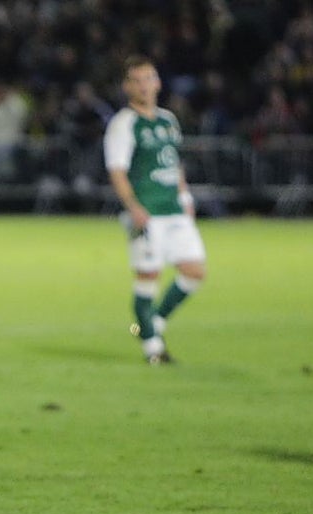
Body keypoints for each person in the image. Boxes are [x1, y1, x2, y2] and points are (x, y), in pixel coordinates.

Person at [104, 55, 207, 364]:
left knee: (195, 272)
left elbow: (173, 163)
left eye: (148, 78)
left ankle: (153, 323)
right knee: (148, 276)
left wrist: (185, 198)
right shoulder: (123, 124)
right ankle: (153, 349)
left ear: (158, 83)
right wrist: (133, 206)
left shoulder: (168, 120)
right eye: (136, 81)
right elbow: (117, 171)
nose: (144, 86)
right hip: (147, 213)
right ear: (126, 87)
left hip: (174, 209)